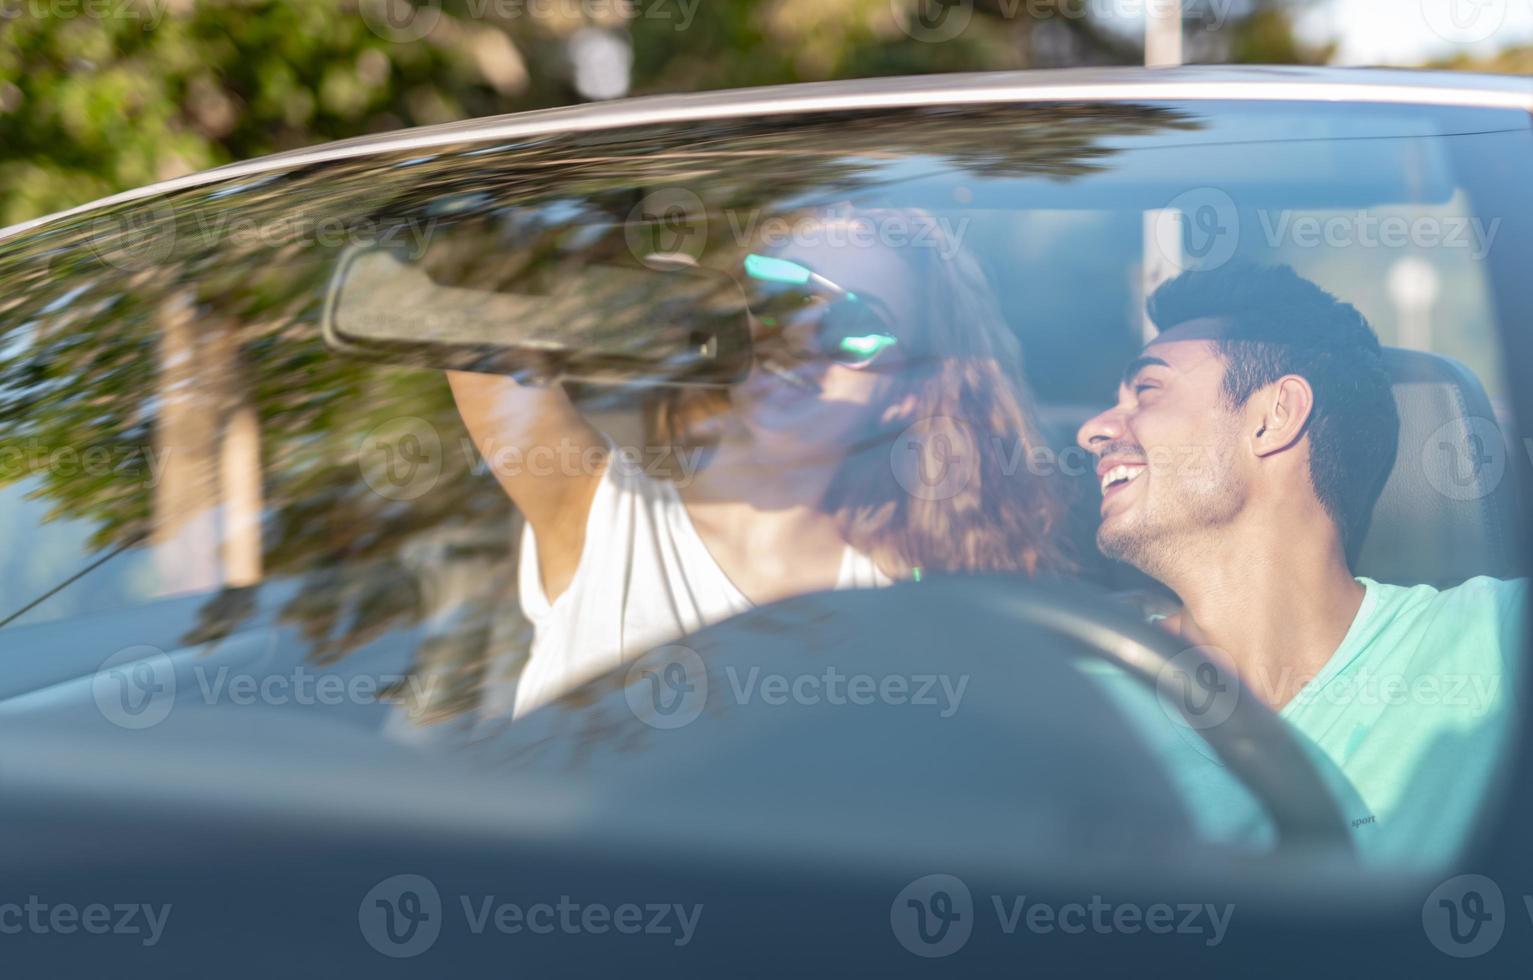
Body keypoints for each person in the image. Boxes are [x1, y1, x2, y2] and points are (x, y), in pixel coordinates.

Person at [453, 209, 1067, 717]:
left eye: (858, 324)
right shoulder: (601, 511)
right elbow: (468, 308)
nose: (800, 336)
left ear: (905, 392)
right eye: (778, 292)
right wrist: (634, 279)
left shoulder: (921, 607)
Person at [1076, 260, 1526, 864]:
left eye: (1148, 390)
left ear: (1274, 416)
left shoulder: (1494, 643)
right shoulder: (1079, 693)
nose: (1092, 431)